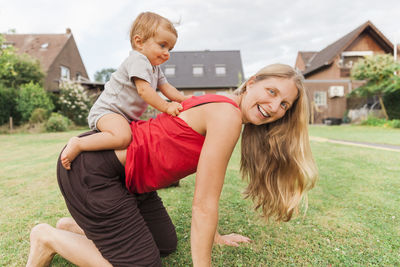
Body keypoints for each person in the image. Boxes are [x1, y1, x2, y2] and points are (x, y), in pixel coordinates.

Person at [26, 64, 318, 267]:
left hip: (131, 181)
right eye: (271, 91)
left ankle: (72, 229)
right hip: (94, 169)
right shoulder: (227, 115)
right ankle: (47, 237)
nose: (274, 105)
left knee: (165, 244)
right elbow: (203, 204)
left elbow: (205, 190)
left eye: (284, 105)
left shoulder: (223, 106)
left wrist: (214, 236)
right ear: (252, 82)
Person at [61, 12, 188, 170]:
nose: (167, 53)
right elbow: (144, 91)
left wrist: (186, 100)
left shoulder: (154, 67)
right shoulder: (138, 60)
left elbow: (166, 87)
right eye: (162, 45)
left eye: (170, 48)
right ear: (139, 42)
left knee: (135, 139)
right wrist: (167, 106)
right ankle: (79, 143)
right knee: (122, 137)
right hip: (108, 111)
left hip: (123, 116)